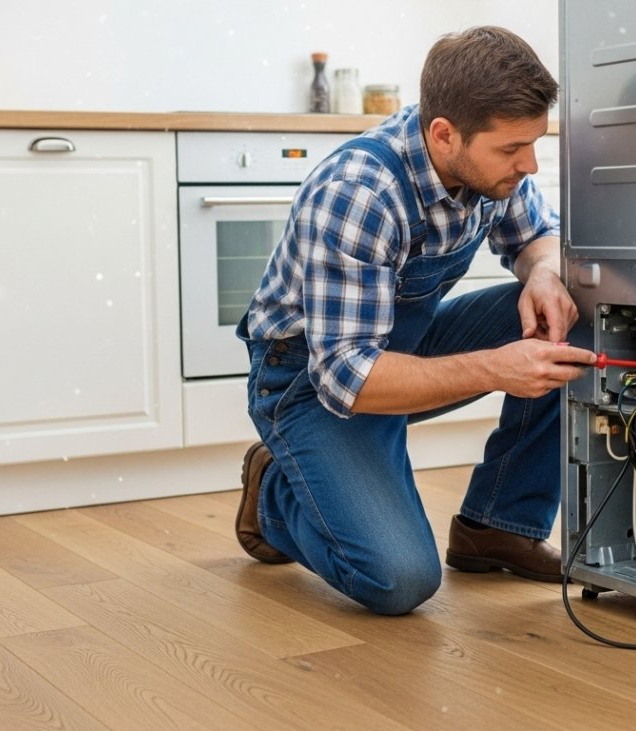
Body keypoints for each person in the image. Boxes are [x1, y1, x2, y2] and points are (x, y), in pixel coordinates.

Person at [234, 25, 597, 615]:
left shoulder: (486, 164)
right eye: (512, 150)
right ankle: (274, 491)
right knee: (398, 581)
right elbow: (347, 378)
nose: (528, 164)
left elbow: (537, 236)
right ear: (444, 134)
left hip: (403, 345)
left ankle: (500, 525)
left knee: (572, 317)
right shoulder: (360, 192)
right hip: (312, 383)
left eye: (533, 143)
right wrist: (495, 369)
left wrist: (541, 274)